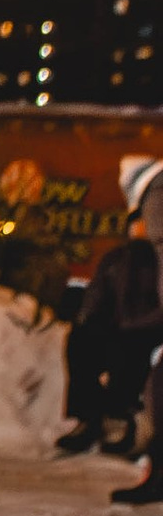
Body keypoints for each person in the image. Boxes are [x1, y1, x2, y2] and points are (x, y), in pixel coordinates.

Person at [58, 157, 162, 460]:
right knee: (81, 342)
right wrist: (88, 320)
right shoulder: (116, 259)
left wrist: (139, 324)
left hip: (147, 329)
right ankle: (87, 417)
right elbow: (97, 295)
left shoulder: (157, 259)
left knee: (129, 352)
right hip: (117, 326)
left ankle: (120, 415)